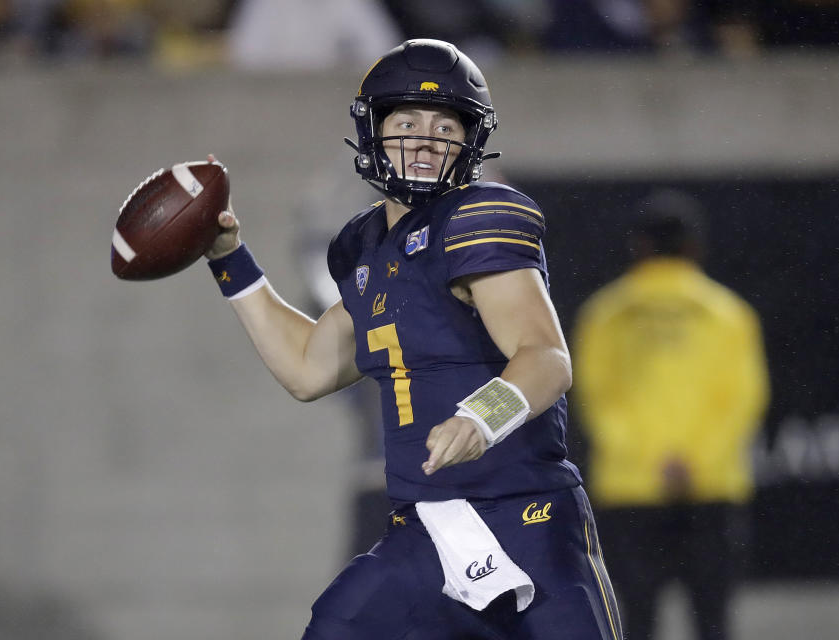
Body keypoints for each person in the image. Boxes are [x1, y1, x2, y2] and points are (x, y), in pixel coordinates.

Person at [202, 39, 622, 640]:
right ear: (373, 132)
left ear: (468, 140)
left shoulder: (478, 217)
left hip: (526, 517)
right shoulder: (365, 248)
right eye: (405, 122)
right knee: (337, 627)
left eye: (443, 124)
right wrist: (228, 258)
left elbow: (547, 357)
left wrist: (481, 417)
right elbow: (307, 368)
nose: (424, 138)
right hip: (426, 531)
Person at [571, 189, 770, 640]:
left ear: (638, 245)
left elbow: (599, 401)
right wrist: (691, 462)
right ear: (695, 246)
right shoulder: (729, 315)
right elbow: (742, 401)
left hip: (631, 490)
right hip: (711, 488)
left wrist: (651, 461)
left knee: (636, 622)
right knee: (714, 623)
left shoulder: (604, 315)